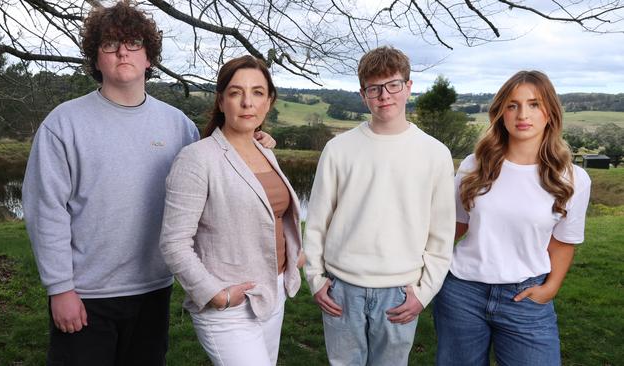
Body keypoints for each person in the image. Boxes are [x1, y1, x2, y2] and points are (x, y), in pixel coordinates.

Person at [22, 2, 274, 365]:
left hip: (154, 291)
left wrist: (255, 141)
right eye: (109, 44)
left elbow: (219, 167)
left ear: (149, 58)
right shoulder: (64, 125)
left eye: (133, 43)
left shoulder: (178, 126)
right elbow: (45, 210)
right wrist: (60, 289)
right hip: (86, 295)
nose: (122, 51)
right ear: (95, 59)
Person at [302, 46, 456, 365]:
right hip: (342, 288)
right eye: (374, 88)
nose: (384, 95)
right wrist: (316, 279)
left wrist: (424, 292)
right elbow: (316, 223)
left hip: (400, 292)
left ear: (408, 87)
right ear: (363, 94)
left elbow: (441, 235)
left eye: (393, 85)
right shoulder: (338, 150)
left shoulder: (435, 153)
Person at [433, 70, 592, 366]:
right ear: (500, 113)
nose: (523, 114)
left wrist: (551, 287)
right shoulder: (474, 165)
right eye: (512, 105)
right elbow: (453, 226)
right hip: (461, 293)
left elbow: (563, 241)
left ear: (550, 113)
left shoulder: (572, 178)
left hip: (526, 297)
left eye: (534, 104)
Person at [158, 55, 303, 366]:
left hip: (272, 292)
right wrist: (215, 294)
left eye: (258, 93)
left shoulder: (264, 149)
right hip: (230, 303)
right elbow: (173, 243)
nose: (247, 102)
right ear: (221, 101)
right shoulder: (197, 158)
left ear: (269, 102)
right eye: (236, 93)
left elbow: (271, 213)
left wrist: (294, 254)